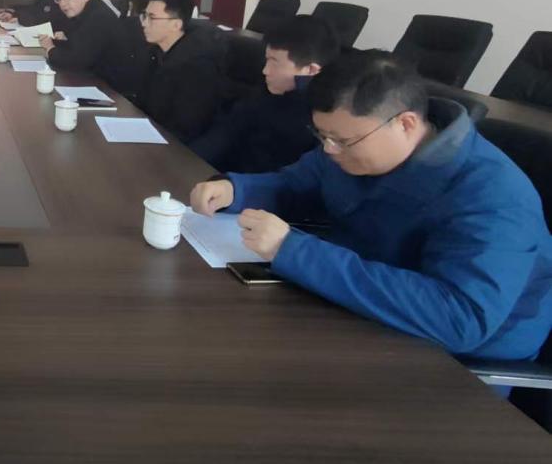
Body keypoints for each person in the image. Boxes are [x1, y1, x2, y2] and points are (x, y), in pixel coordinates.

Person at [189, 51, 552, 361]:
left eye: (341, 140)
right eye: (322, 136)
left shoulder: (493, 195)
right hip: (366, 308)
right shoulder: (354, 146)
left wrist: (294, 250)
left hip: (455, 361)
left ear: (405, 124)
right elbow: (298, 182)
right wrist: (236, 190)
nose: (329, 150)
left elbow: (460, 318)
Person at [190, 15, 340, 173]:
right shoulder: (267, 92)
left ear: (311, 70)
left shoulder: (324, 121)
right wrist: (189, 162)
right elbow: (227, 130)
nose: (265, 70)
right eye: (267, 60)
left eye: (275, 63)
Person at [38, 0, 148, 99]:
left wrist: (51, 49)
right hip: (97, 82)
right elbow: (77, 46)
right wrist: (55, 42)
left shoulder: (98, 17)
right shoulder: (87, 12)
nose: (62, 3)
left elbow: (76, 61)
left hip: (113, 92)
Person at [136, 0, 223, 142]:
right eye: (144, 16)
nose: (144, 23)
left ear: (176, 25)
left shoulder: (197, 66)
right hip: (151, 134)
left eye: (152, 18)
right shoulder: (155, 53)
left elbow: (186, 127)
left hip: (177, 147)